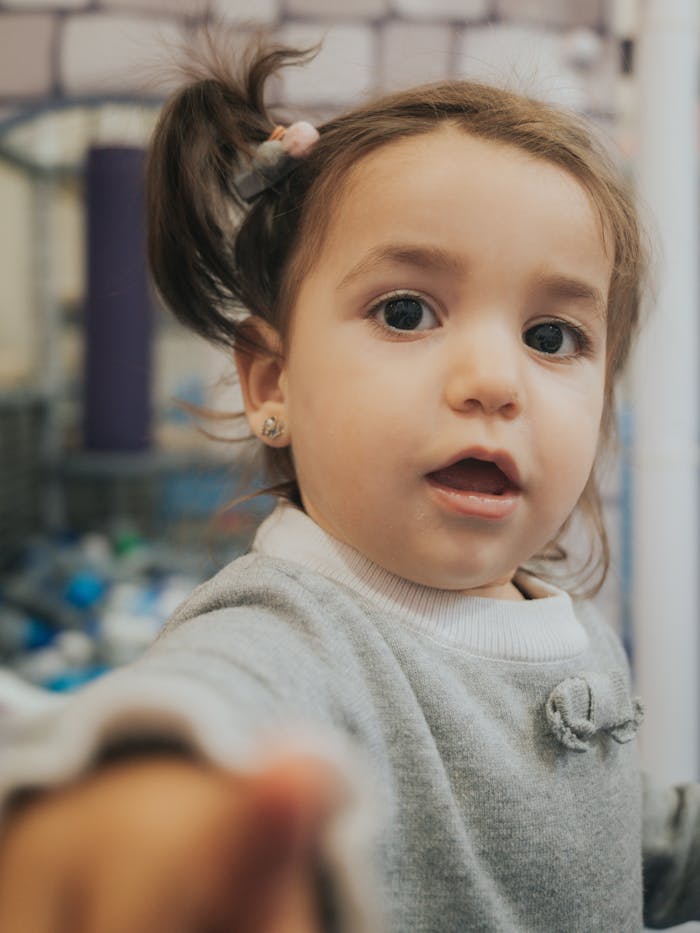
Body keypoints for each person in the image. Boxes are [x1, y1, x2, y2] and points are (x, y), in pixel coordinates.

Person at [0, 40, 698, 933]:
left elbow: (605, 839)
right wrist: (152, 804)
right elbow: (213, 702)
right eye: (406, 311)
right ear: (272, 383)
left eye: (553, 336)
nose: (496, 379)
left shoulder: (564, 623)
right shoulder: (298, 630)